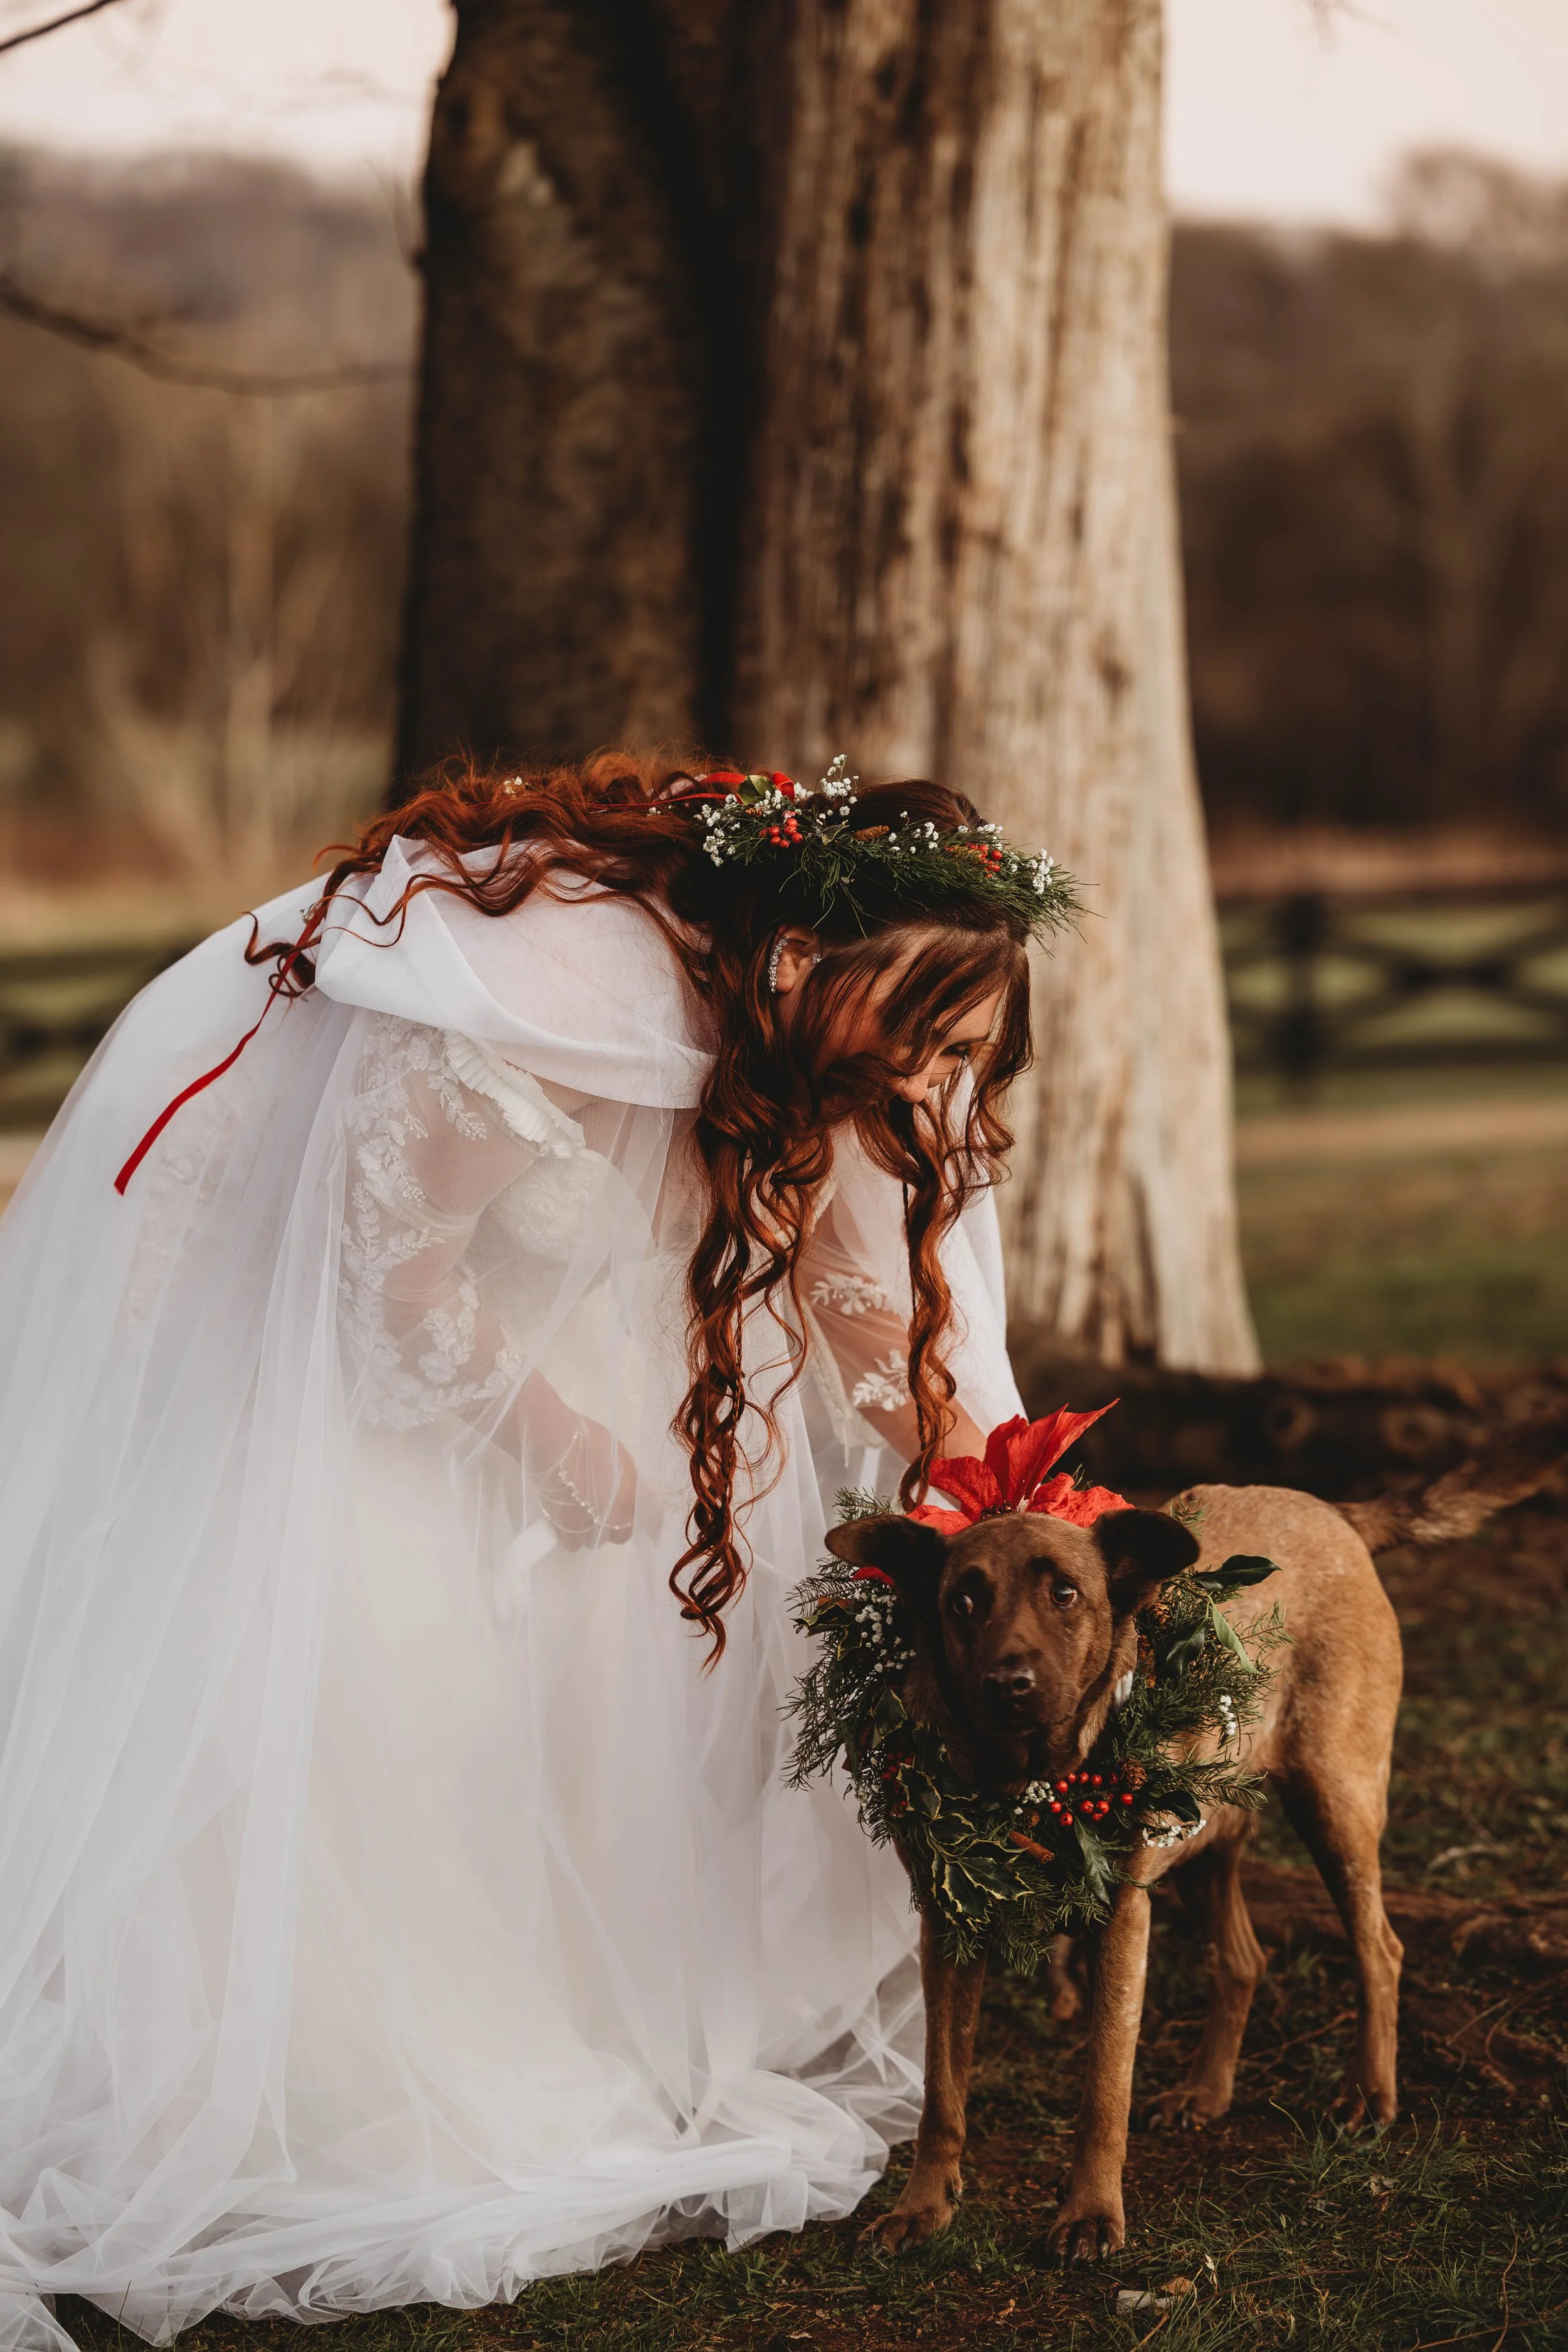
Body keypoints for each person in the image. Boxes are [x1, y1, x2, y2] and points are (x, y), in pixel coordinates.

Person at [0, 753, 1073, 2352]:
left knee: (648, 1670)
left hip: (617, 1375)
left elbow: (857, 1301)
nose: (941, 1086)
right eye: (933, 1037)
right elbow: (389, 1278)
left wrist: (993, 1484)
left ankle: (618, 2005)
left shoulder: (824, 1051)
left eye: (972, 1053)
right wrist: (564, 1444)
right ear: (802, 962)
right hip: (356, 1381)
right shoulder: (565, 987)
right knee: (412, 1707)